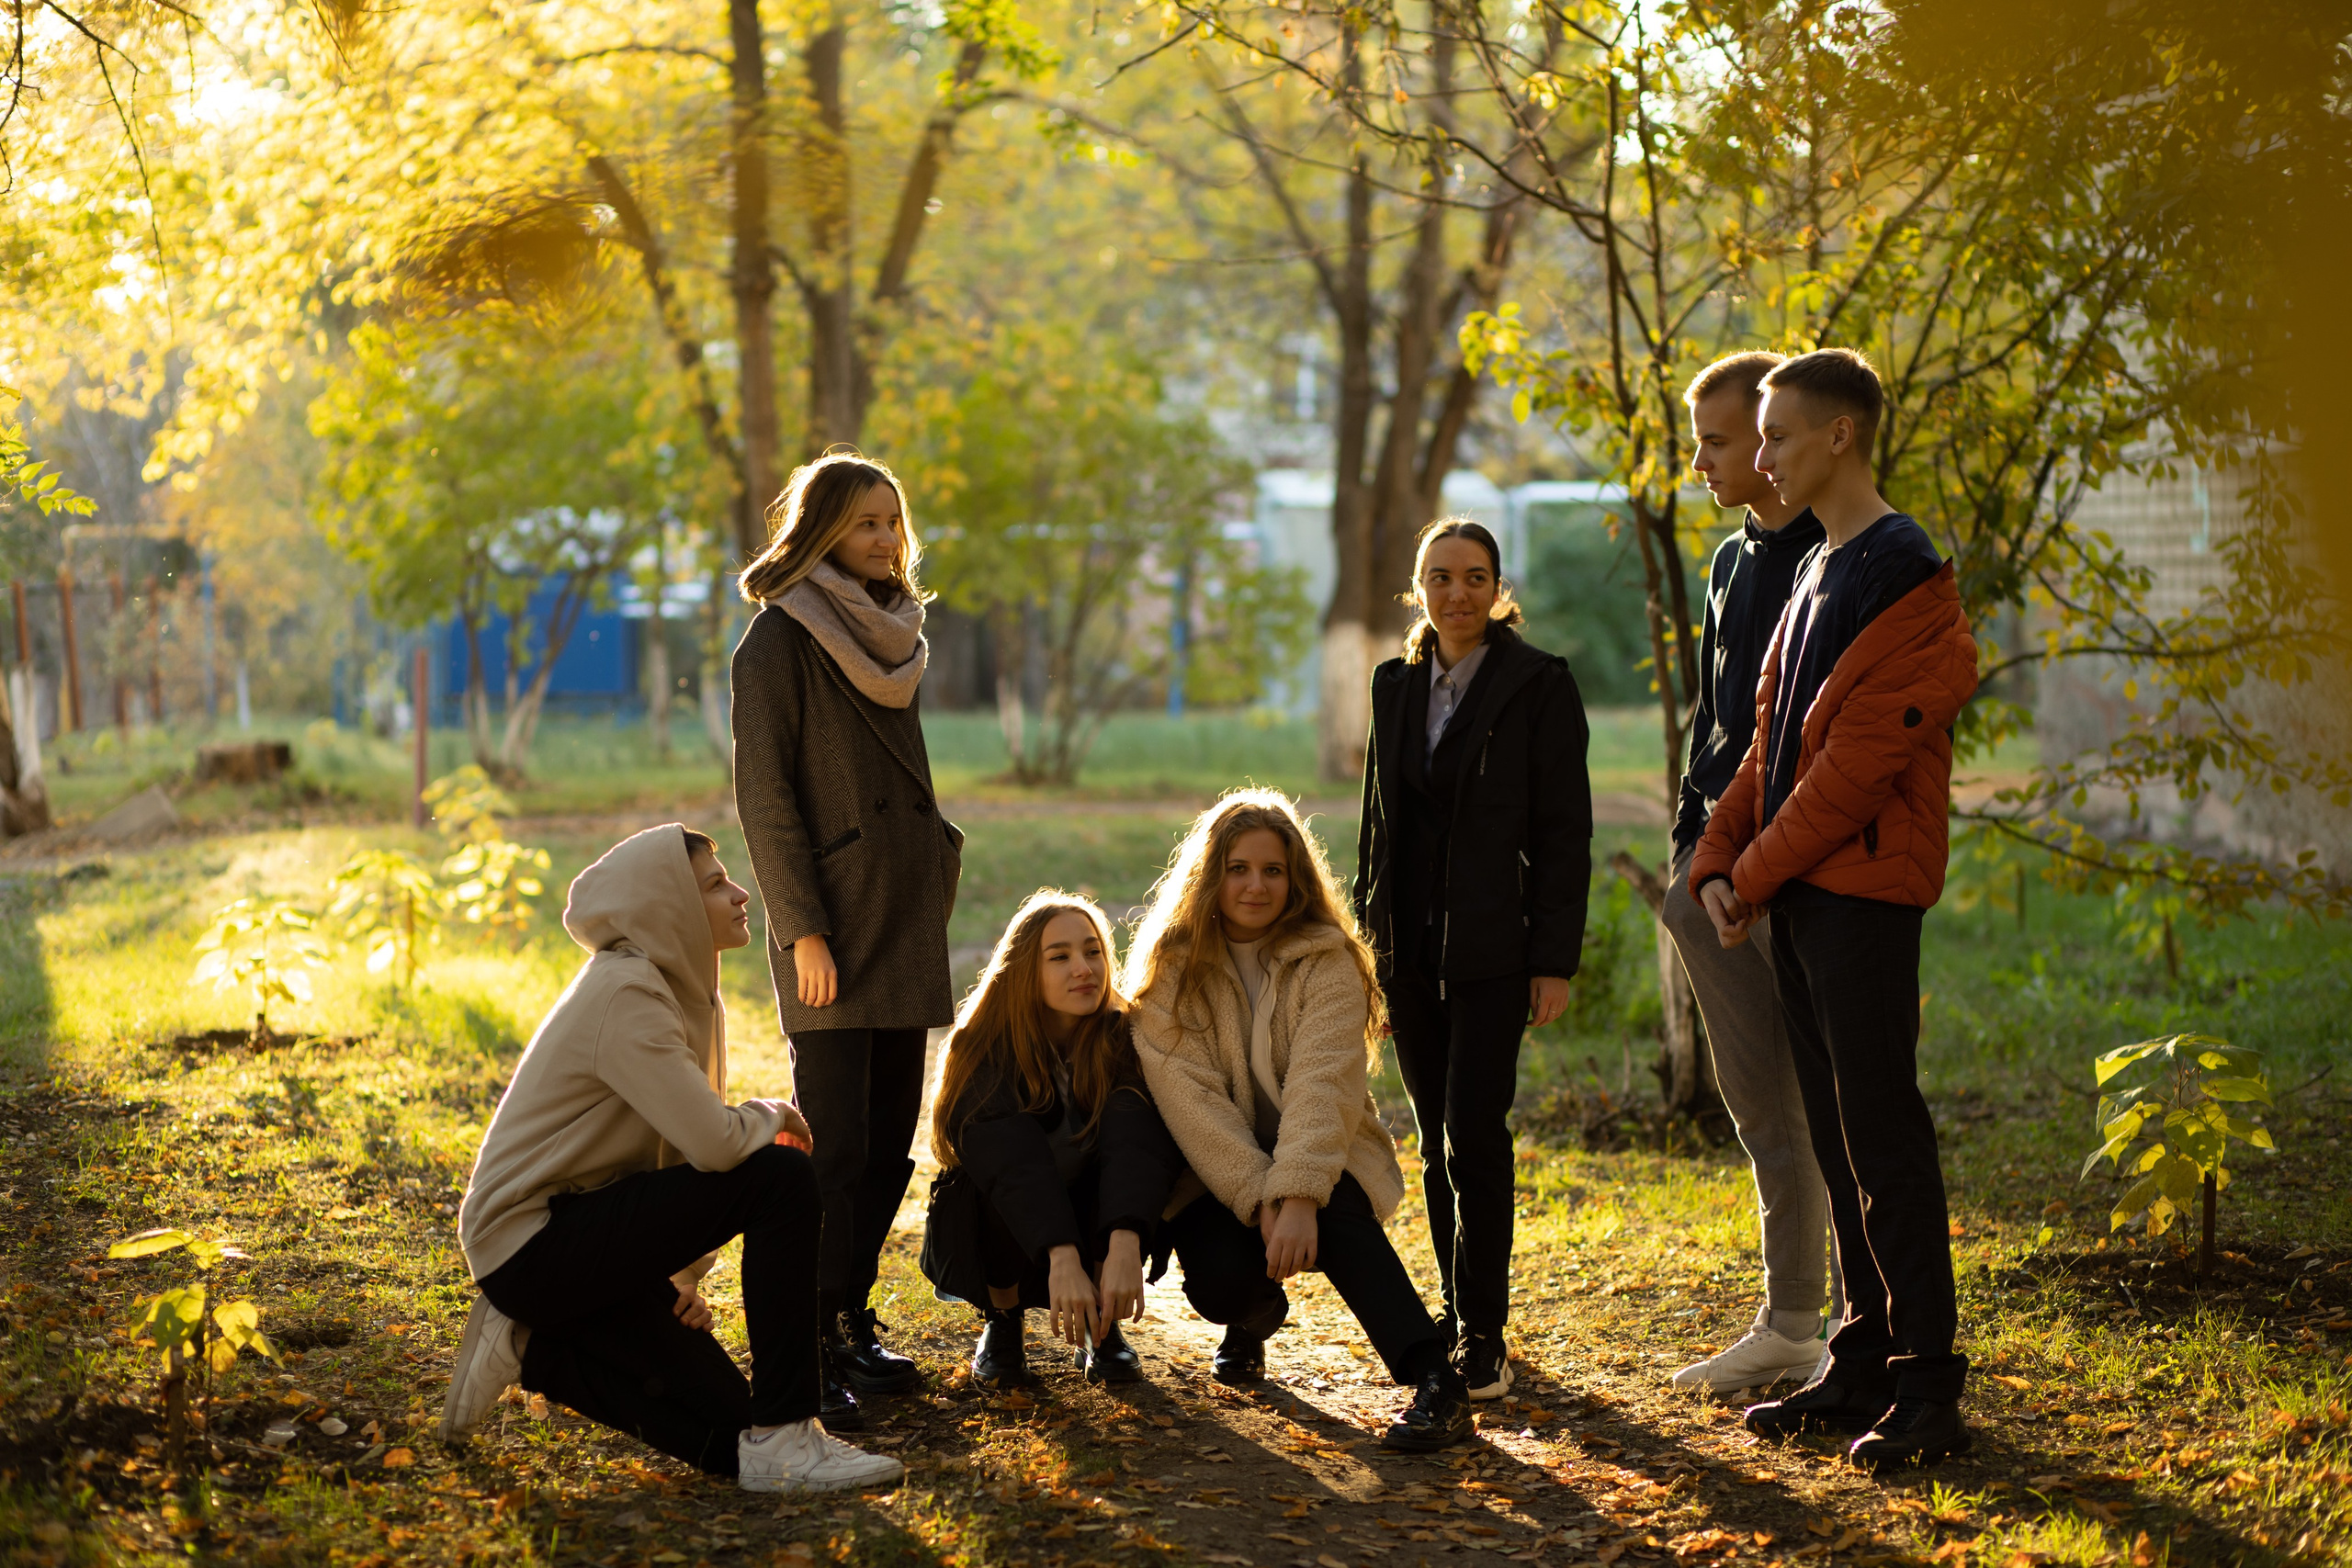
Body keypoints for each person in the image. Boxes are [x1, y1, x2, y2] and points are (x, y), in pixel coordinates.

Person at [1689, 346, 1980, 1468]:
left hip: (1862, 896)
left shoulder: (1902, 568)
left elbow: (1853, 767)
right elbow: (1771, 744)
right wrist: (1719, 859)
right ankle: (1860, 1361)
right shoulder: (1814, 565)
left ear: (1839, 435)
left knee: (1882, 1136)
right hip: (1803, 895)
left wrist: (1751, 876)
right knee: (1835, 1134)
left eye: (1776, 435)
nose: (1761, 456)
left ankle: (1927, 1386)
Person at [441, 825, 903, 1494]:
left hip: (587, 1235)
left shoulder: (681, 991)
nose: (741, 893)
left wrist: (682, 1276)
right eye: (715, 885)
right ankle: (790, 1431)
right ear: (670, 906)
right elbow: (717, 1145)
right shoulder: (626, 992)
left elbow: (682, 1152)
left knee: (730, 1442)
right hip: (531, 1241)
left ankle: (528, 1347)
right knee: (780, 1175)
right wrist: (775, 1114)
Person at [1127, 790, 1473, 1452]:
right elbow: (1192, 1104)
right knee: (1223, 1286)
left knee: (1337, 1211)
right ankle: (1253, 1319)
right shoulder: (1172, 969)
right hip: (1217, 1171)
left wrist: (1299, 1194)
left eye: (1273, 870)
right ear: (1210, 876)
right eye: (1238, 868)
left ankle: (1437, 1378)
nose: (1255, 886)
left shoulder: (1328, 959)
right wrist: (1262, 1196)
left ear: (1296, 880)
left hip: (1321, 1152)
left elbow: (1324, 1085)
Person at [732, 450, 964, 1428]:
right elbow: (766, 799)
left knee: (888, 1143)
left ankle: (848, 1314)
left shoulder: (893, 633)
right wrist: (804, 933)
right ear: (821, 529)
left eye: (892, 521)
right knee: (833, 1150)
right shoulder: (779, 639)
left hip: (902, 915)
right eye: (865, 521)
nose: (884, 538)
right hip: (832, 924)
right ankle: (810, 1337)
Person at [1351, 517, 1590, 1402]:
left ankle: (1484, 1334)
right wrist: (1370, 952)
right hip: (1409, 953)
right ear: (1419, 588)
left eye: (1475, 576)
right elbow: (1377, 830)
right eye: (1441, 577)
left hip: (1496, 951)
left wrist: (1553, 958)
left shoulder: (1539, 683)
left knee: (1474, 1134)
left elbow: (1565, 832)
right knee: (1433, 1140)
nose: (1458, 593)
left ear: (1498, 588)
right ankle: (1455, 1313)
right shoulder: (1393, 684)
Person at [1658, 352, 1843, 1397]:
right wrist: (1692, 850)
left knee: (1839, 1101)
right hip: (1711, 873)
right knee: (1761, 1107)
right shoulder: (1731, 560)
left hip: (1801, 871)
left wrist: (1759, 862)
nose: (1706, 463)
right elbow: (1713, 718)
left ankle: (1868, 1324)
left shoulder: (1838, 559)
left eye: (1721, 441)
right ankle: (1791, 1322)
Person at [922, 891, 1184, 1388]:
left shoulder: (1124, 1037)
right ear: (1025, 971)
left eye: (1093, 951)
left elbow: (1139, 1145)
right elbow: (1011, 1162)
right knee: (995, 1178)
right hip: (1007, 1223)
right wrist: (1061, 1254)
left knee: (1128, 1153)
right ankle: (1003, 1320)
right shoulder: (983, 1042)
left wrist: (1126, 1236)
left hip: (1087, 1212)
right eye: (1059, 957)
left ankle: (1101, 1323)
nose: (1083, 969)